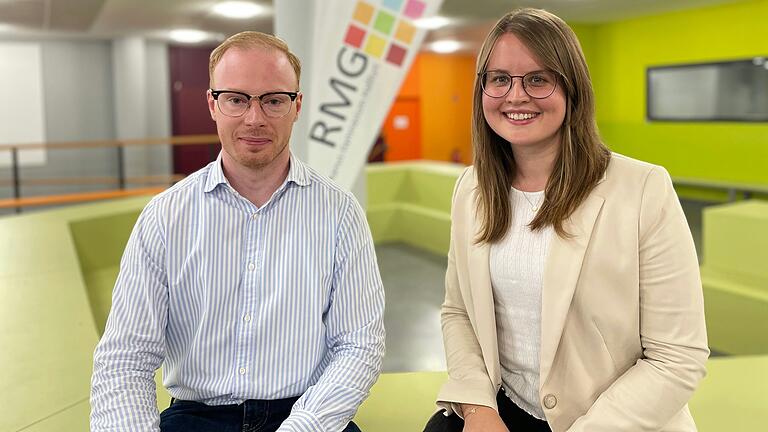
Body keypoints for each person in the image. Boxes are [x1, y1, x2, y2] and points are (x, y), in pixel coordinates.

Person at [423, 8, 708, 432]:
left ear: (572, 88)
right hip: (504, 410)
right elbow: (458, 312)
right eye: (499, 79)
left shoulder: (644, 189)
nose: (515, 96)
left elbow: (677, 357)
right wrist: (478, 406)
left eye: (538, 79)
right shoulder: (472, 189)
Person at [90, 31, 385, 432]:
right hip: (197, 416)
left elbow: (359, 345)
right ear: (213, 104)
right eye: (236, 99)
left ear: (297, 106)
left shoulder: (340, 214)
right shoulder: (165, 217)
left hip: (306, 414)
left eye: (274, 100)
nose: (254, 118)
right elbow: (126, 357)